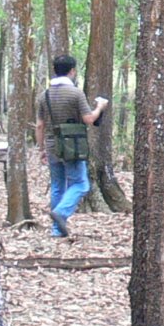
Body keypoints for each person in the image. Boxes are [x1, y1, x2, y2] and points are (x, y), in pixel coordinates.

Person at [35, 55, 107, 237]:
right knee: (81, 184)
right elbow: (89, 119)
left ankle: (57, 230)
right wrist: (100, 107)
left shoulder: (45, 95)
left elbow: (39, 125)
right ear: (72, 71)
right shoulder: (76, 93)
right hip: (72, 145)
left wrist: (41, 149)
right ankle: (61, 213)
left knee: (58, 185)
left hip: (52, 145)